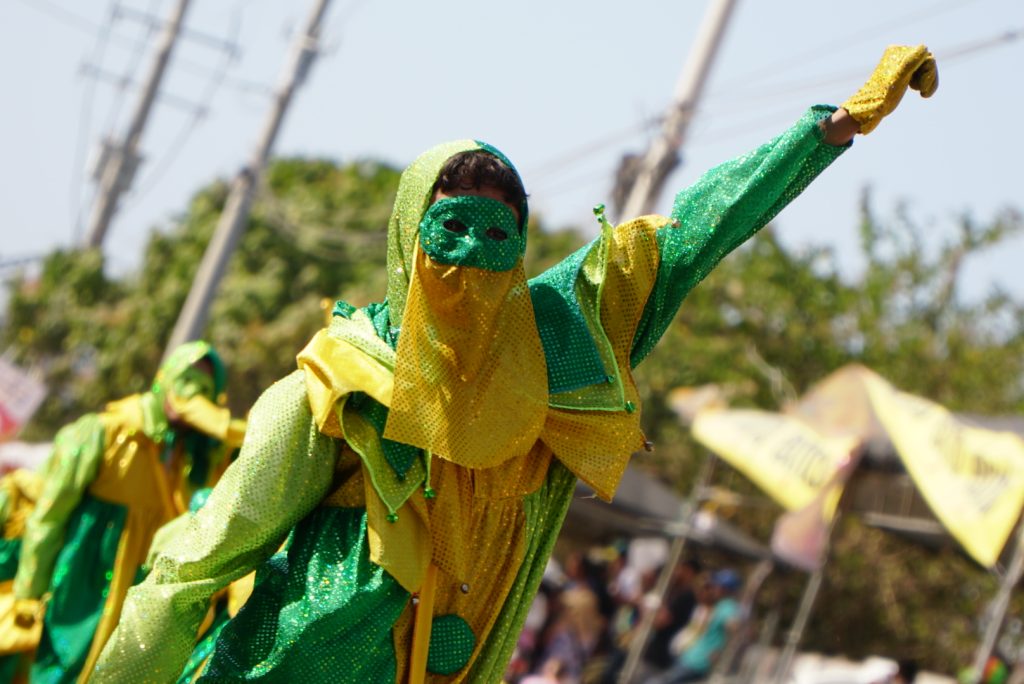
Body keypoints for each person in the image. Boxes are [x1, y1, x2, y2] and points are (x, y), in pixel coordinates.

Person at [94, 45, 937, 683]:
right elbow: (194, 567)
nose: (474, 258)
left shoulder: (563, 338)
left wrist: (827, 132)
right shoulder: (334, 386)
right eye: (450, 229)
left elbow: (691, 236)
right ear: (405, 240)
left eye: (499, 236)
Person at [8, 341, 245, 684]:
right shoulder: (104, 431)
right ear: (164, 377)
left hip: (145, 606)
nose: (193, 392)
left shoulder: (207, 456)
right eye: (186, 379)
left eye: (206, 388)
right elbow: (49, 516)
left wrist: (220, 428)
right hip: (82, 591)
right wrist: (29, 592)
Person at [645, 569, 743, 684]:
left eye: (717, 586)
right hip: (691, 658)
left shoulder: (727, 606)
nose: (714, 589)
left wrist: (721, 651)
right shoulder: (718, 605)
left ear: (724, 589)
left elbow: (734, 627)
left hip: (697, 661)